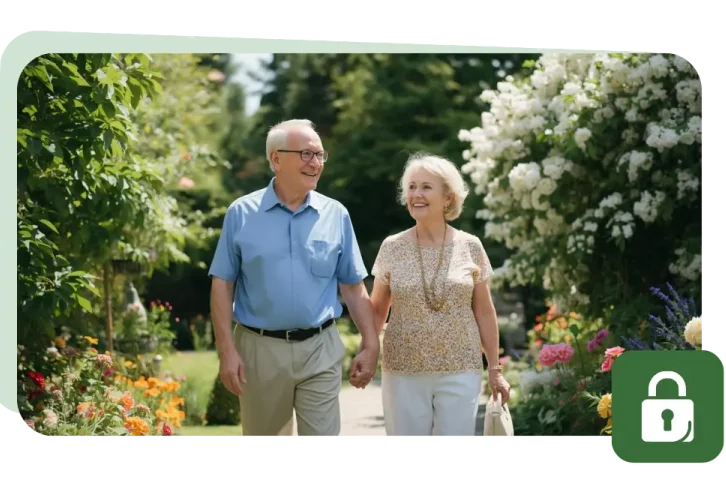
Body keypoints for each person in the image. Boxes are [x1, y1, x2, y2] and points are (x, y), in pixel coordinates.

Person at [208, 119, 380, 439]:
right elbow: (222, 285)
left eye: (319, 155)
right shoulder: (241, 213)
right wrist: (227, 351)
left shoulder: (336, 214)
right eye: (305, 154)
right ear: (276, 159)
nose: (315, 163)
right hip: (259, 351)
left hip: (320, 348)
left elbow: (354, 289)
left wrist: (371, 343)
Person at [368, 152, 510, 439]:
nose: (416, 195)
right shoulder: (392, 247)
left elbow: (484, 310)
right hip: (403, 368)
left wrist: (495, 370)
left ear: (448, 197)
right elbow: (376, 309)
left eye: (426, 187)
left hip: (461, 367)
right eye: (411, 187)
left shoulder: (471, 246)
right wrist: (367, 352)